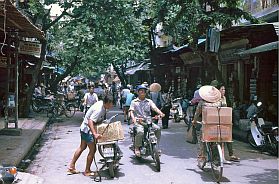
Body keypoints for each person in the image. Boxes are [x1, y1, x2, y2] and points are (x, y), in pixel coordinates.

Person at [68, 95, 114, 176]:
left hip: (84, 129)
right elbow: (90, 121)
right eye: (111, 104)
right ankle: (87, 171)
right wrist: (95, 134)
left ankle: (71, 166)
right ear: (106, 103)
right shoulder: (99, 110)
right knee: (92, 150)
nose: (112, 106)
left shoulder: (101, 104)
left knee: (82, 147)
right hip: (88, 130)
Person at [129, 85, 165, 157]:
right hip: (139, 121)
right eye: (141, 91)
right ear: (138, 92)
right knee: (140, 131)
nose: (143, 92)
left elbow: (155, 108)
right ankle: (137, 148)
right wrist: (134, 119)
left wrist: (160, 113)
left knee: (157, 129)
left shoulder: (149, 101)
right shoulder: (134, 102)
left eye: (144, 91)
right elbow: (131, 112)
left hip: (148, 121)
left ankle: (156, 147)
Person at [192, 85, 222, 166]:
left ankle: (202, 157)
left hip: (206, 126)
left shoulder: (202, 103)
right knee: (217, 140)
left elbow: (197, 113)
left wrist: (194, 121)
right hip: (218, 125)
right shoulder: (219, 102)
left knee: (202, 140)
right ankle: (217, 158)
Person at [218, 84, 240, 162]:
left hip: (225, 120)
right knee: (219, 139)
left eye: (224, 89)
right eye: (222, 89)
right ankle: (219, 155)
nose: (223, 91)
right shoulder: (215, 99)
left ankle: (231, 155)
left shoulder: (224, 98)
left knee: (228, 137)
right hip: (217, 119)